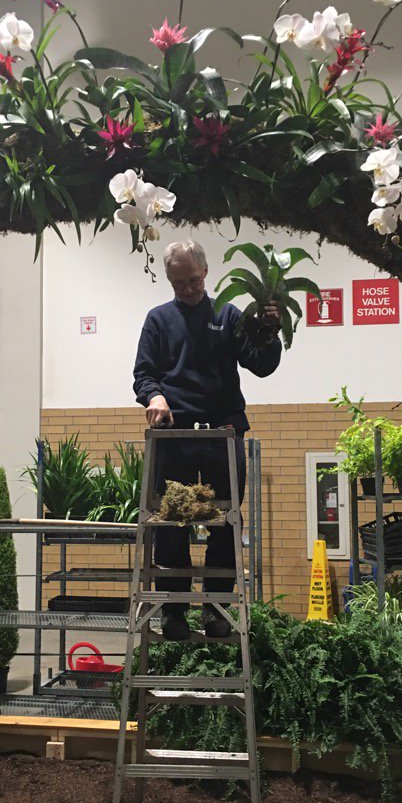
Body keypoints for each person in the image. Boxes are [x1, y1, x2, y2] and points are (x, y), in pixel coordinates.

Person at [133, 239, 282, 640]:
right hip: (175, 434)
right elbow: (143, 374)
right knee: (171, 522)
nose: (187, 289)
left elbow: (261, 364)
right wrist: (155, 396)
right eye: (178, 283)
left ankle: (217, 610)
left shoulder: (228, 315)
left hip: (222, 432)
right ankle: (174, 611)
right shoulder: (158, 320)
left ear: (205, 272)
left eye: (193, 281)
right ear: (169, 280)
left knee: (226, 521)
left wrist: (270, 331)